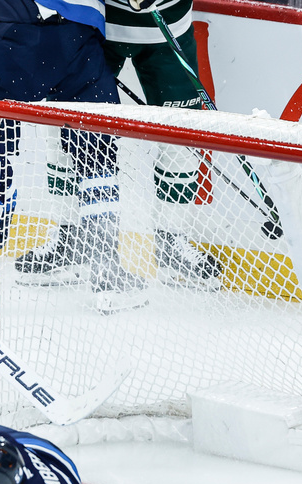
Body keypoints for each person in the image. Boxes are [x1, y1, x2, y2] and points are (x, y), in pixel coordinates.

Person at [0, 0, 148, 312]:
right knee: (97, 156)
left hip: (15, 39)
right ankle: (106, 271)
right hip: (76, 41)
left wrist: (6, 19)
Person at [103, 0, 222, 286]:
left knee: (179, 135)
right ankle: (71, 238)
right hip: (96, 23)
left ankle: (171, 243)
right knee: (68, 126)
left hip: (169, 24)